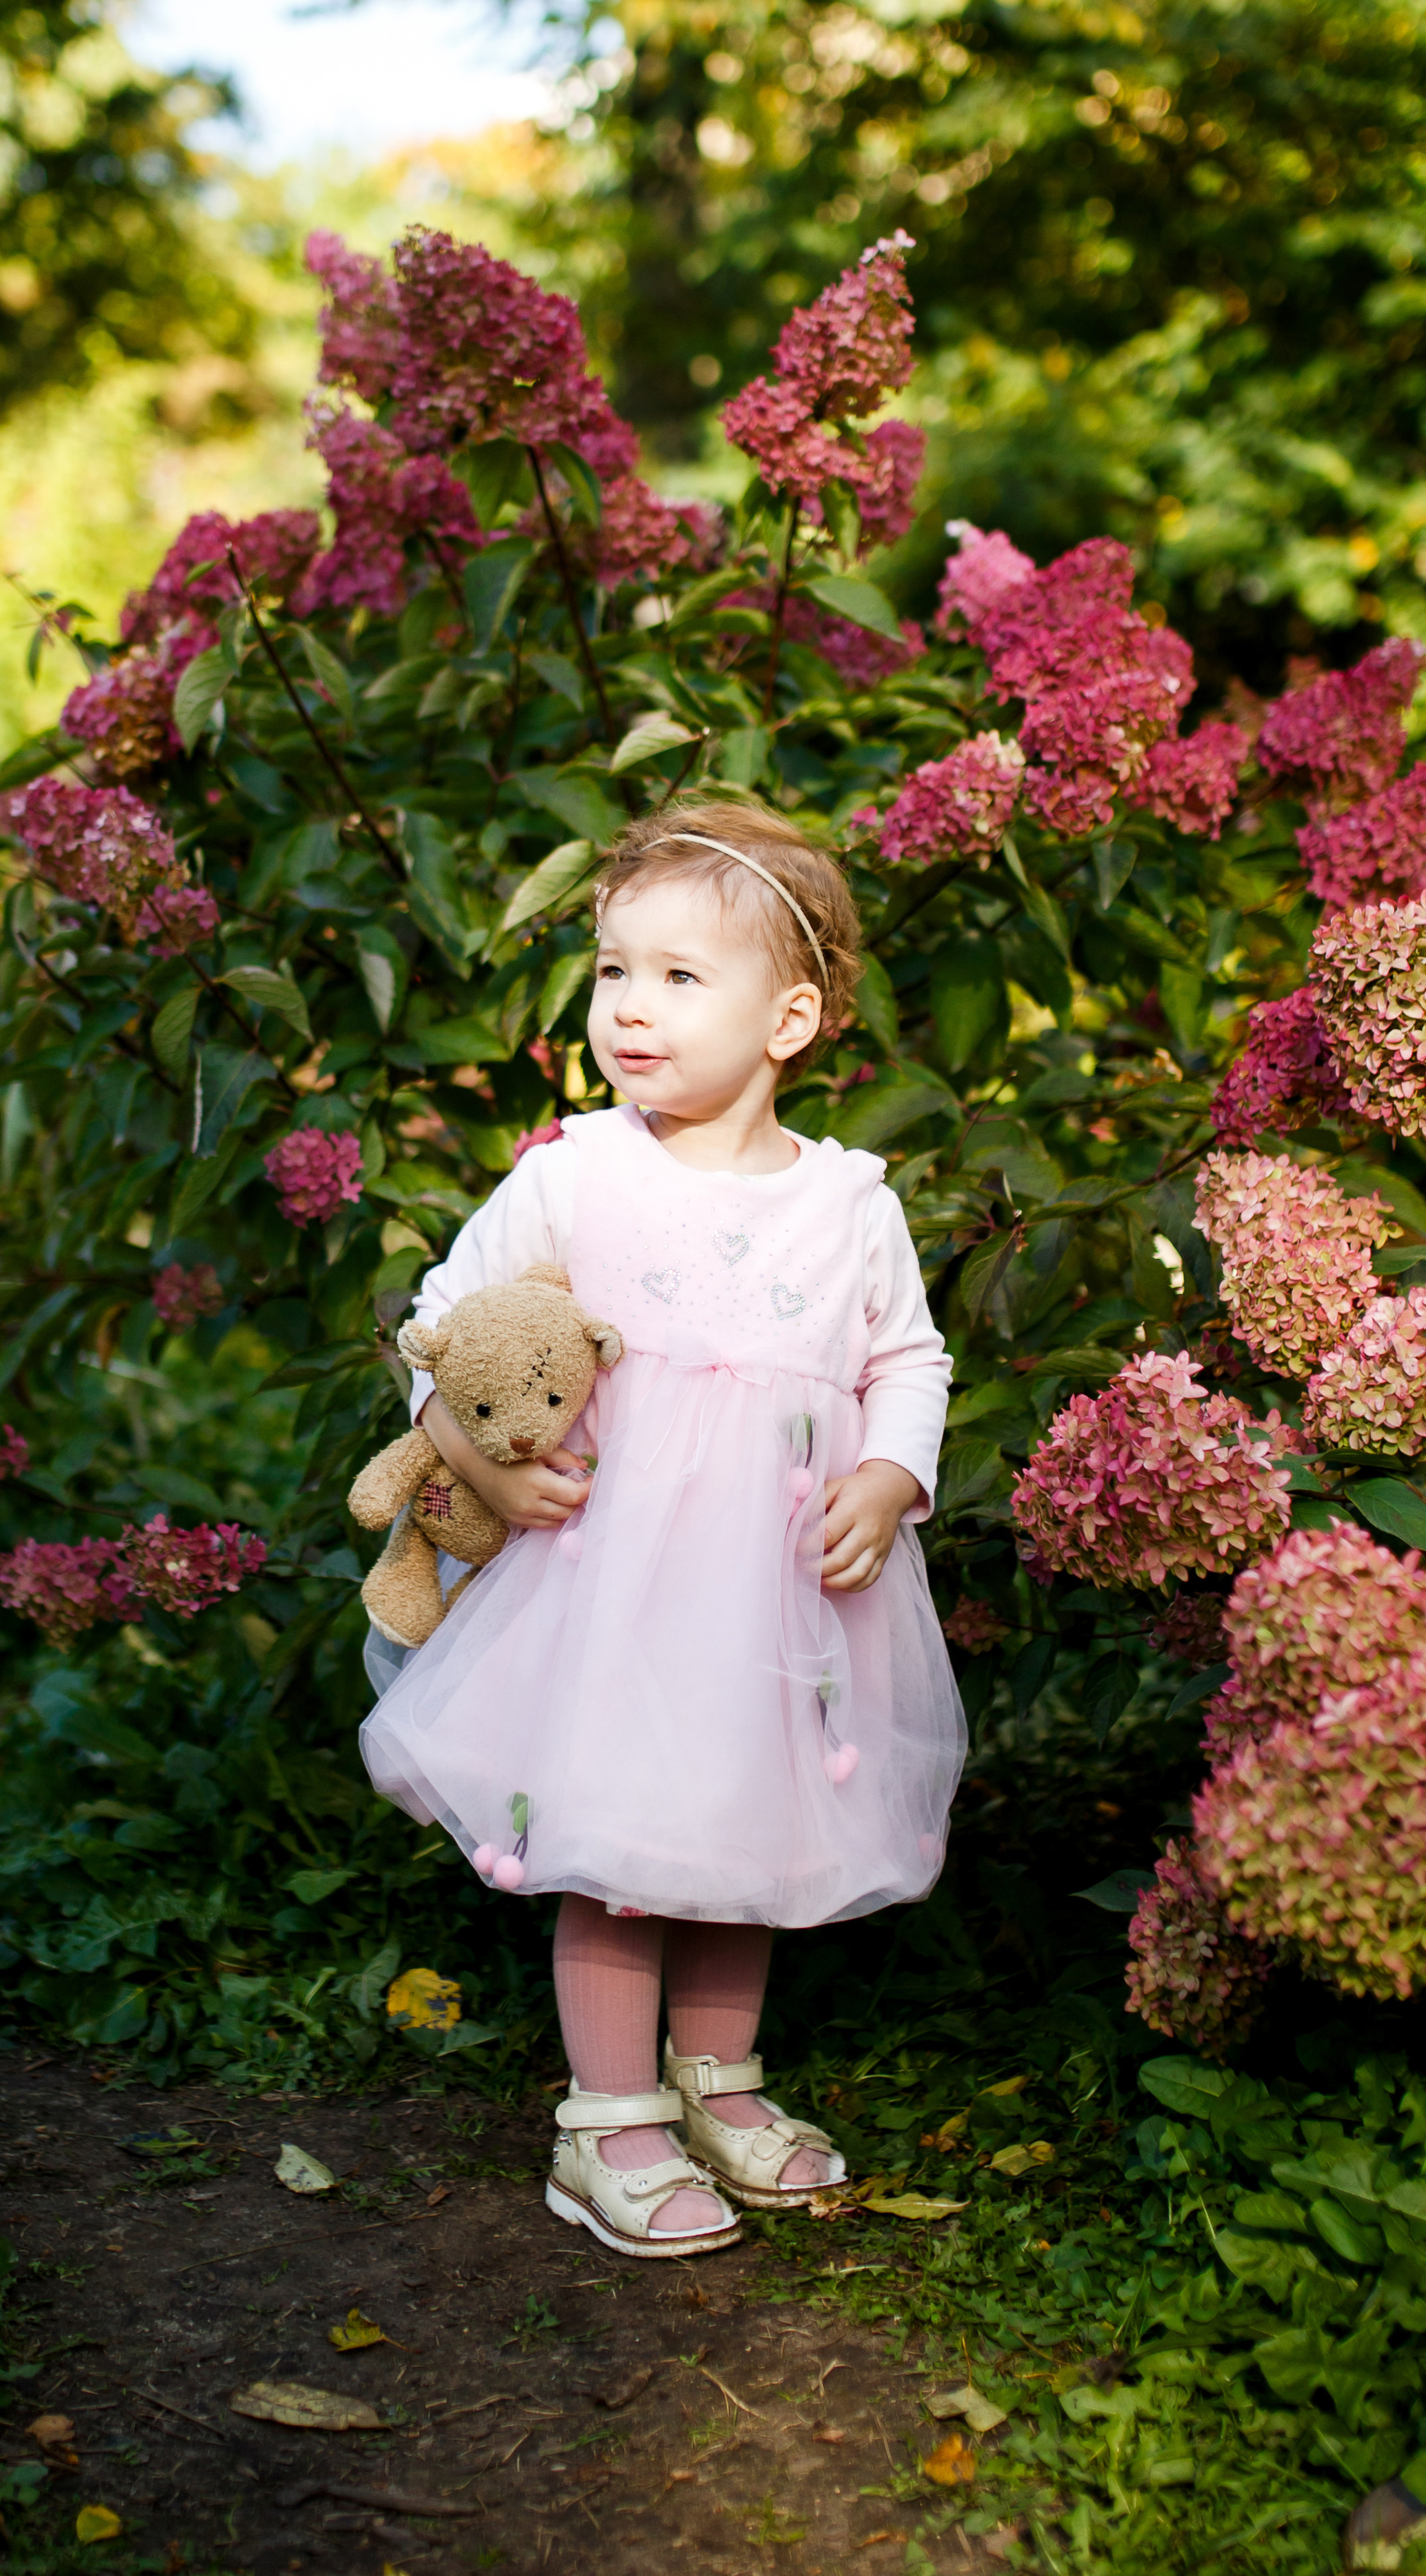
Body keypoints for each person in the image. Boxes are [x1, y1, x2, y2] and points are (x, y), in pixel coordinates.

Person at [359, 796, 965, 2255]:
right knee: (623, 1846)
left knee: (743, 1830)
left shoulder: (848, 1203)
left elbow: (908, 1360)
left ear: (789, 1017)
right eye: (613, 971)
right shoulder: (578, 1172)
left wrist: (889, 1478)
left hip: (772, 1598)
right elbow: (443, 1329)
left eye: (679, 977)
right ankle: (607, 2118)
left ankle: (718, 2080)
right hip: (608, 1590)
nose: (629, 1009)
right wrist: (481, 1468)